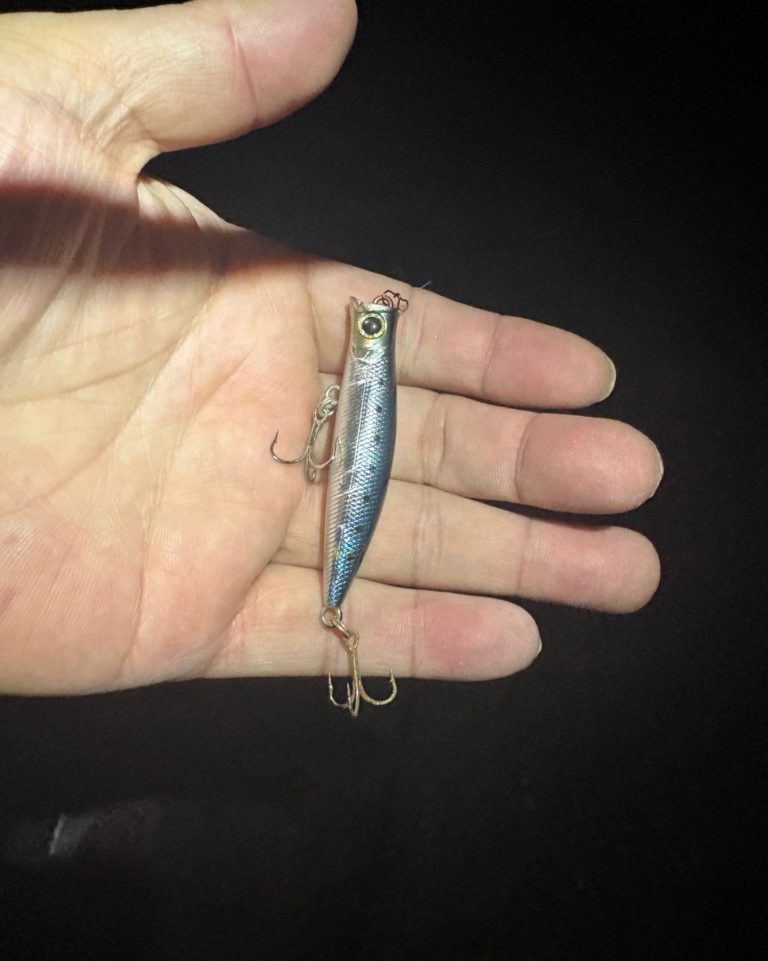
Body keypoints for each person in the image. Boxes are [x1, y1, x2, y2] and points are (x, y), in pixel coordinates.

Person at [0, 0, 662, 696]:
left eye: (370, 330)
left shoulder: (366, 369)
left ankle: (335, 605)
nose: (362, 327)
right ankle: (337, 609)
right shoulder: (357, 367)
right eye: (368, 328)